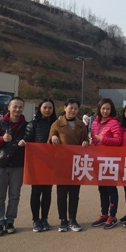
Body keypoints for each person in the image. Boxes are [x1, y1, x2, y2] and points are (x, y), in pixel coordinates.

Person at [48, 98, 89, 232]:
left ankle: (72, 219)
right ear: (65, 107)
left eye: (76, 108)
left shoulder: (82, 125)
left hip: (76, 164)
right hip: (61, 163)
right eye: (71, 107)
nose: (73, 110)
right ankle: (63, 220)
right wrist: (53, 138)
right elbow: (49, 141)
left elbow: (86, 139)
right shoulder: (57, 124)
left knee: (74, 193)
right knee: (61, 194)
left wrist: (86, 143)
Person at [0, 97, 28, 236]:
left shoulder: (26, 125)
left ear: (23, 108)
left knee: (14, 196)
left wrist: (25, 143)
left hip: (17, 165)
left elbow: (30, 140)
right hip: (0, 164)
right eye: (15, 106)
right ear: (9, 108)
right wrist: (2, 139)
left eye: (20, 107)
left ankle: (10, 221)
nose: (17, 109)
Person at [20, 98, 57, 232]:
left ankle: (44, 219)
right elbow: (27, 140)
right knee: (36, 192)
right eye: (45, 107)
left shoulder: (56, 124)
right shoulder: (33, 124)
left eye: (50, 108)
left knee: (47, 192)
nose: (47, 110)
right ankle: (36, 220)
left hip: (51, 163)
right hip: (37, 163)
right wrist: (24, 142)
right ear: (40, 109)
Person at [90, 98, 123, 230]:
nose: (105, 111)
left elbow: (118, 140)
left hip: (110, 161)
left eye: (108, 109)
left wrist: (103, 139)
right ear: (99, 109)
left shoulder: (114, 123)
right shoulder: (94, 123)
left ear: (111, 110)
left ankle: (112, 216)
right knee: (102, 189)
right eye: (103, 108)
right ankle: (104, 214)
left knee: (111, 188)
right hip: (98, 161)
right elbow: (93, 141)